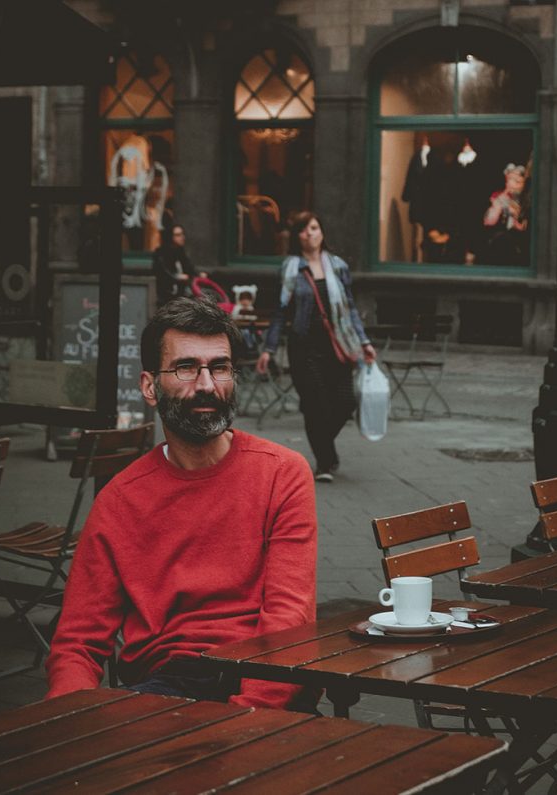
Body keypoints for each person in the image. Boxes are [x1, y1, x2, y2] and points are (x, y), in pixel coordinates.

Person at [46, 297, 318, 711]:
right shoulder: (119, 500)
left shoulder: (283, 473)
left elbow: (288, 618)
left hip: (263, 677)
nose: (207, 384)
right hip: (166, 685)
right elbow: (78, 643)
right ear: (149, 387)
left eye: (220, 367)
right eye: (186, 367)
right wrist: (68, 723)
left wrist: (247, 719)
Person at [256, 212, 376, 482]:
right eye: (303, 230)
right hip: (304, 347)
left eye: (314, 228)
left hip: (338, 345)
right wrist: (269, 349)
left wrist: (364, 342)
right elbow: (280, 312)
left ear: (322, 232)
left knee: (346, 402)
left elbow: (351, 309)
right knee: (316, 405)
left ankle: (323, 447)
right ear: (297, 237)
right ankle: (325, 462)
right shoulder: (290, 269)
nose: (309, 233)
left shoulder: (338, 266)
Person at [483, 163, 529, 266]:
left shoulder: (525, 201)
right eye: (509, 180)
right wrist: (498, 204)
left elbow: (522, 227)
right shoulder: (498, 196)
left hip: (518, 246)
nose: (511, 184)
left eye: (517, 181)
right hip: (497, 244)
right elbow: (489, 221)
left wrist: (515, 215)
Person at [152, 223, 206, 306]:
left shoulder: (180, 251)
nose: (182, 237)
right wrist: (177, 276)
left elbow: (189, 266)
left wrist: (198, 274)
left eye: (182, 234)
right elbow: (163, 271)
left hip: (181, 293)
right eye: (178, 235)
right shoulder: (161, 253)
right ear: (170, 237)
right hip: (167, 294)